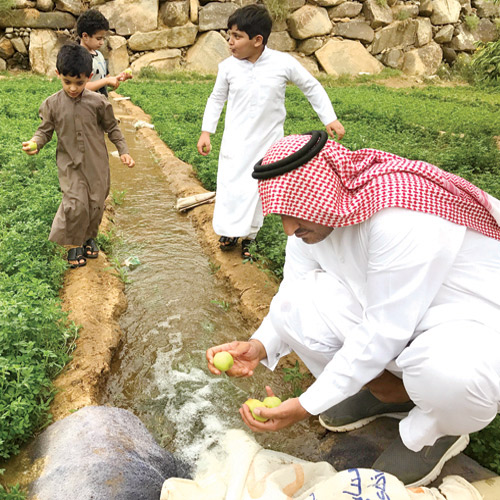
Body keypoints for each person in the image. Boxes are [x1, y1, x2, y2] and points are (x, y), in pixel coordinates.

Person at [206, 131, 500, 487]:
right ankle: (388, 394)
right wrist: (258, 346)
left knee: (450, 377)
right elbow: (293, 291)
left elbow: (383, 330)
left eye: (293, 212)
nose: (288, 227)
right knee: (296, 305)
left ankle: (438, 430)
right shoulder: (311, 223)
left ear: (325, 190)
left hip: (470, 322)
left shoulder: (399, 217)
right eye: (280, 214)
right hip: (395, 314)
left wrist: (306, 404)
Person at [197, 4, 345, 259]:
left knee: (257, 190)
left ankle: (250, 236)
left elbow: (311, 86)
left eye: (236, 36)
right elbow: (216, 99)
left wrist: (329, 118)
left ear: (257, 40)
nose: (230, 42)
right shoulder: (227, 67)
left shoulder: (282, 63)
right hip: (235, 141)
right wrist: (206, 131)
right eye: (229, 35)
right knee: (231, 186)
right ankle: (231, 230)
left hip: (268, 143)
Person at [22, 43, 135, 268]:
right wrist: (36, 143)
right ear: (58, 75)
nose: (73, 88)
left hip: (97, 164)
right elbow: (44, 130)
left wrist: (123, 150)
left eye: (80, 83)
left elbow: (112, 128)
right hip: (70, 164)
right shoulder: (52, 104)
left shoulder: (98, 102)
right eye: (67, 82)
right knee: (75, 204)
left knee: (95, 203)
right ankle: (74, 244)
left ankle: (88, 237)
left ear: (89, 77)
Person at [77, 9, 132, 97]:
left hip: (101, 106)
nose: (102, 42)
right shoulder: (77, 58)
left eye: (103, 38)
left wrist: (115, 79)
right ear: (85, 36)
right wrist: (106, 81)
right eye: (98, 38)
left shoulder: (99, 56)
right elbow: (80, 87)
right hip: (86, 108)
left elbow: (103, 80)